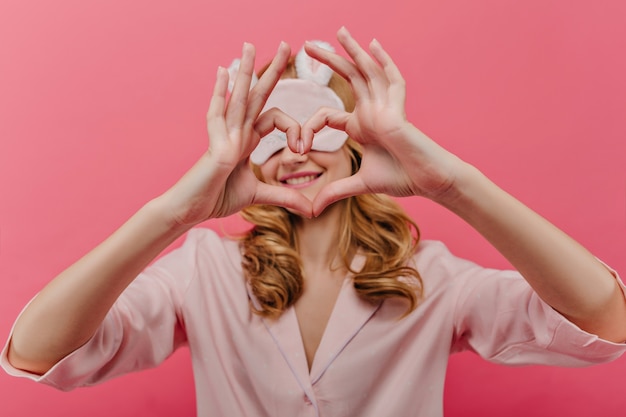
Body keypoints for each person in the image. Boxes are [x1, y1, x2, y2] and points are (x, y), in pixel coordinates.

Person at [2, 27, 626, 416]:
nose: (296, 150)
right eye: (275, 134)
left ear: (356, 141)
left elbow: (603, 321)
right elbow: (36, 352)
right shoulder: (204, 271)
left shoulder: (433, 279)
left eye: (319, 128)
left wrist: (452, 186)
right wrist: (175, 213)